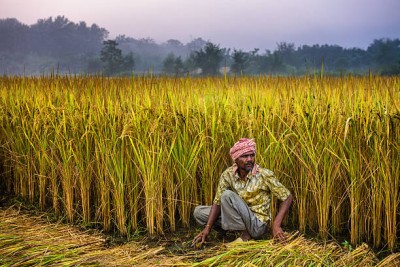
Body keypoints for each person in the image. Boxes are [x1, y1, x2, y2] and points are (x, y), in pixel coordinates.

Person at [192, 138, 293, 247]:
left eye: (252, 155)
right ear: (235, 159)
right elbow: (217, 202)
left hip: (257, 224)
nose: (249, 159)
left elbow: (287, 197)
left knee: (227, 195)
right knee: (199, 212)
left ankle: (246, 236)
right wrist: (207, 229)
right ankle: (229, 231)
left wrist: (276, 225)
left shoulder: (264, 175)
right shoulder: (228, 175)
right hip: (239, 219)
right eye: (244, 156)